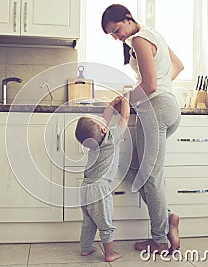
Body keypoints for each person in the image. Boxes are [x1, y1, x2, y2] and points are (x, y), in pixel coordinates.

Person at [101, 4, 184, 254]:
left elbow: (149, 85)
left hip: (156, 110)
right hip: (168, 108)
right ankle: (168, 217)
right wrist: (153, 87)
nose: (117, 37)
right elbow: (177, 66)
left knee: (151, 177)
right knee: (138, 171)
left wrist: (126, 98)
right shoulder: (153, 34)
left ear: (128, 18)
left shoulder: (138, 39)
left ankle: (159, 239)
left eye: (116, 31)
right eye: (113, 36)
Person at [74, 95, 130, 262]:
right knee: (105, 223)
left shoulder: (94, 145)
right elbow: (125, 118)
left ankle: (85, 249)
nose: (102, 121)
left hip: (85, 187)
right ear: (104, 130)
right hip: (100, 189)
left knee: (89, 222)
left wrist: (111, 105)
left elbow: (103, 122)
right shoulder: (111, 138)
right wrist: (126, 100)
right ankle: (109, 253)